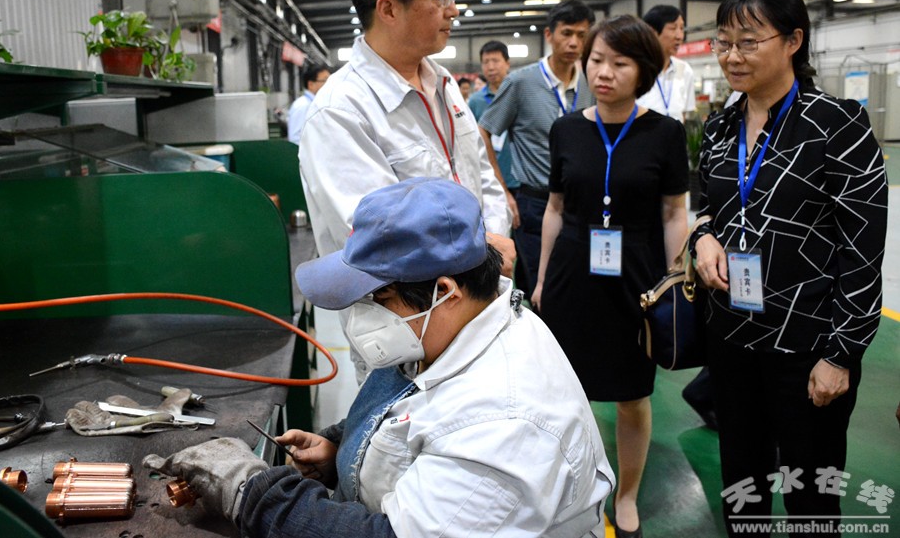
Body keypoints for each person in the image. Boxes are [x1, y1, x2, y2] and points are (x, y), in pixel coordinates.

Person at [145, 177, 615, 538]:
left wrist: (252, 494)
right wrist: (345, 451)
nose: (362, 317)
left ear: (444, 291)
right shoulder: (459, 328)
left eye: (381, 299)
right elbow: (415, 416)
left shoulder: (504, 423)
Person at [692, 0, 887, 537]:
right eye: (724, 42)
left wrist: (841, 355)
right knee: (742, 480)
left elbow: (862, 248)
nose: (732, 56)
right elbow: (708, 208)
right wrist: (703, 238)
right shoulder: (721, 126)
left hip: (807, 344)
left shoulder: (837, 125)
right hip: (732, 335)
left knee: (811, 493)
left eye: (748, 42)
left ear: (793, 41)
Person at [297, 0, 514, 379]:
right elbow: (383, 241)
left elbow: (480, 177)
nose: (452, 9)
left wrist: (494, 240)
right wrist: (487, 253)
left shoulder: (444, 85)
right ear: (388, 8)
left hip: (477, 306)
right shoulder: (342, 111)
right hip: (412, 335)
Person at [532, 15, 689, 538]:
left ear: (643, 70)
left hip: (636, 277)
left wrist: (675, 285)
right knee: (561, 392)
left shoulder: (665, 133)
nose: (603, 72)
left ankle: (626, 493)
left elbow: (674, 214)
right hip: (572, 274)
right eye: (596, 60)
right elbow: (555, 208)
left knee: (632, 394)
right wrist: (542, 278)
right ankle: (568, 489)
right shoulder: (566, 129)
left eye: (619, 63)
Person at [479, 0, 595, 295]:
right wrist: (503, 191)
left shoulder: (590, 83)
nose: (574, 42)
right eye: (566, 33)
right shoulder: (521, 83)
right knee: (543, 287)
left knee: (579, 283)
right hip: (536, 202)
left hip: (581, 201)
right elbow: (484, 131)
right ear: (549, 35)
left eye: (582, 35)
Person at [468, 40, 518, 195]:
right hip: (490, 177)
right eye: (485, 62)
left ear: (507, 63)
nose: (490, 67)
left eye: (495, 61)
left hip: (520, 178)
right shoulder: (475, 101)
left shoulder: (519, 94)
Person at [636, 5, 697, 122]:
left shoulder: (684, 70)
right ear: (652, 32)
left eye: (682, 28)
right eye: (673, 28)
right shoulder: (637, 70)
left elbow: (683, 114)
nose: (680, 36)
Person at [286, 63, 331, 144]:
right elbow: (295, 139)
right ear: (311, 84)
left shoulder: (316, 104)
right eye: (325, 80)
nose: (330, 84)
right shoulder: (303, 106)